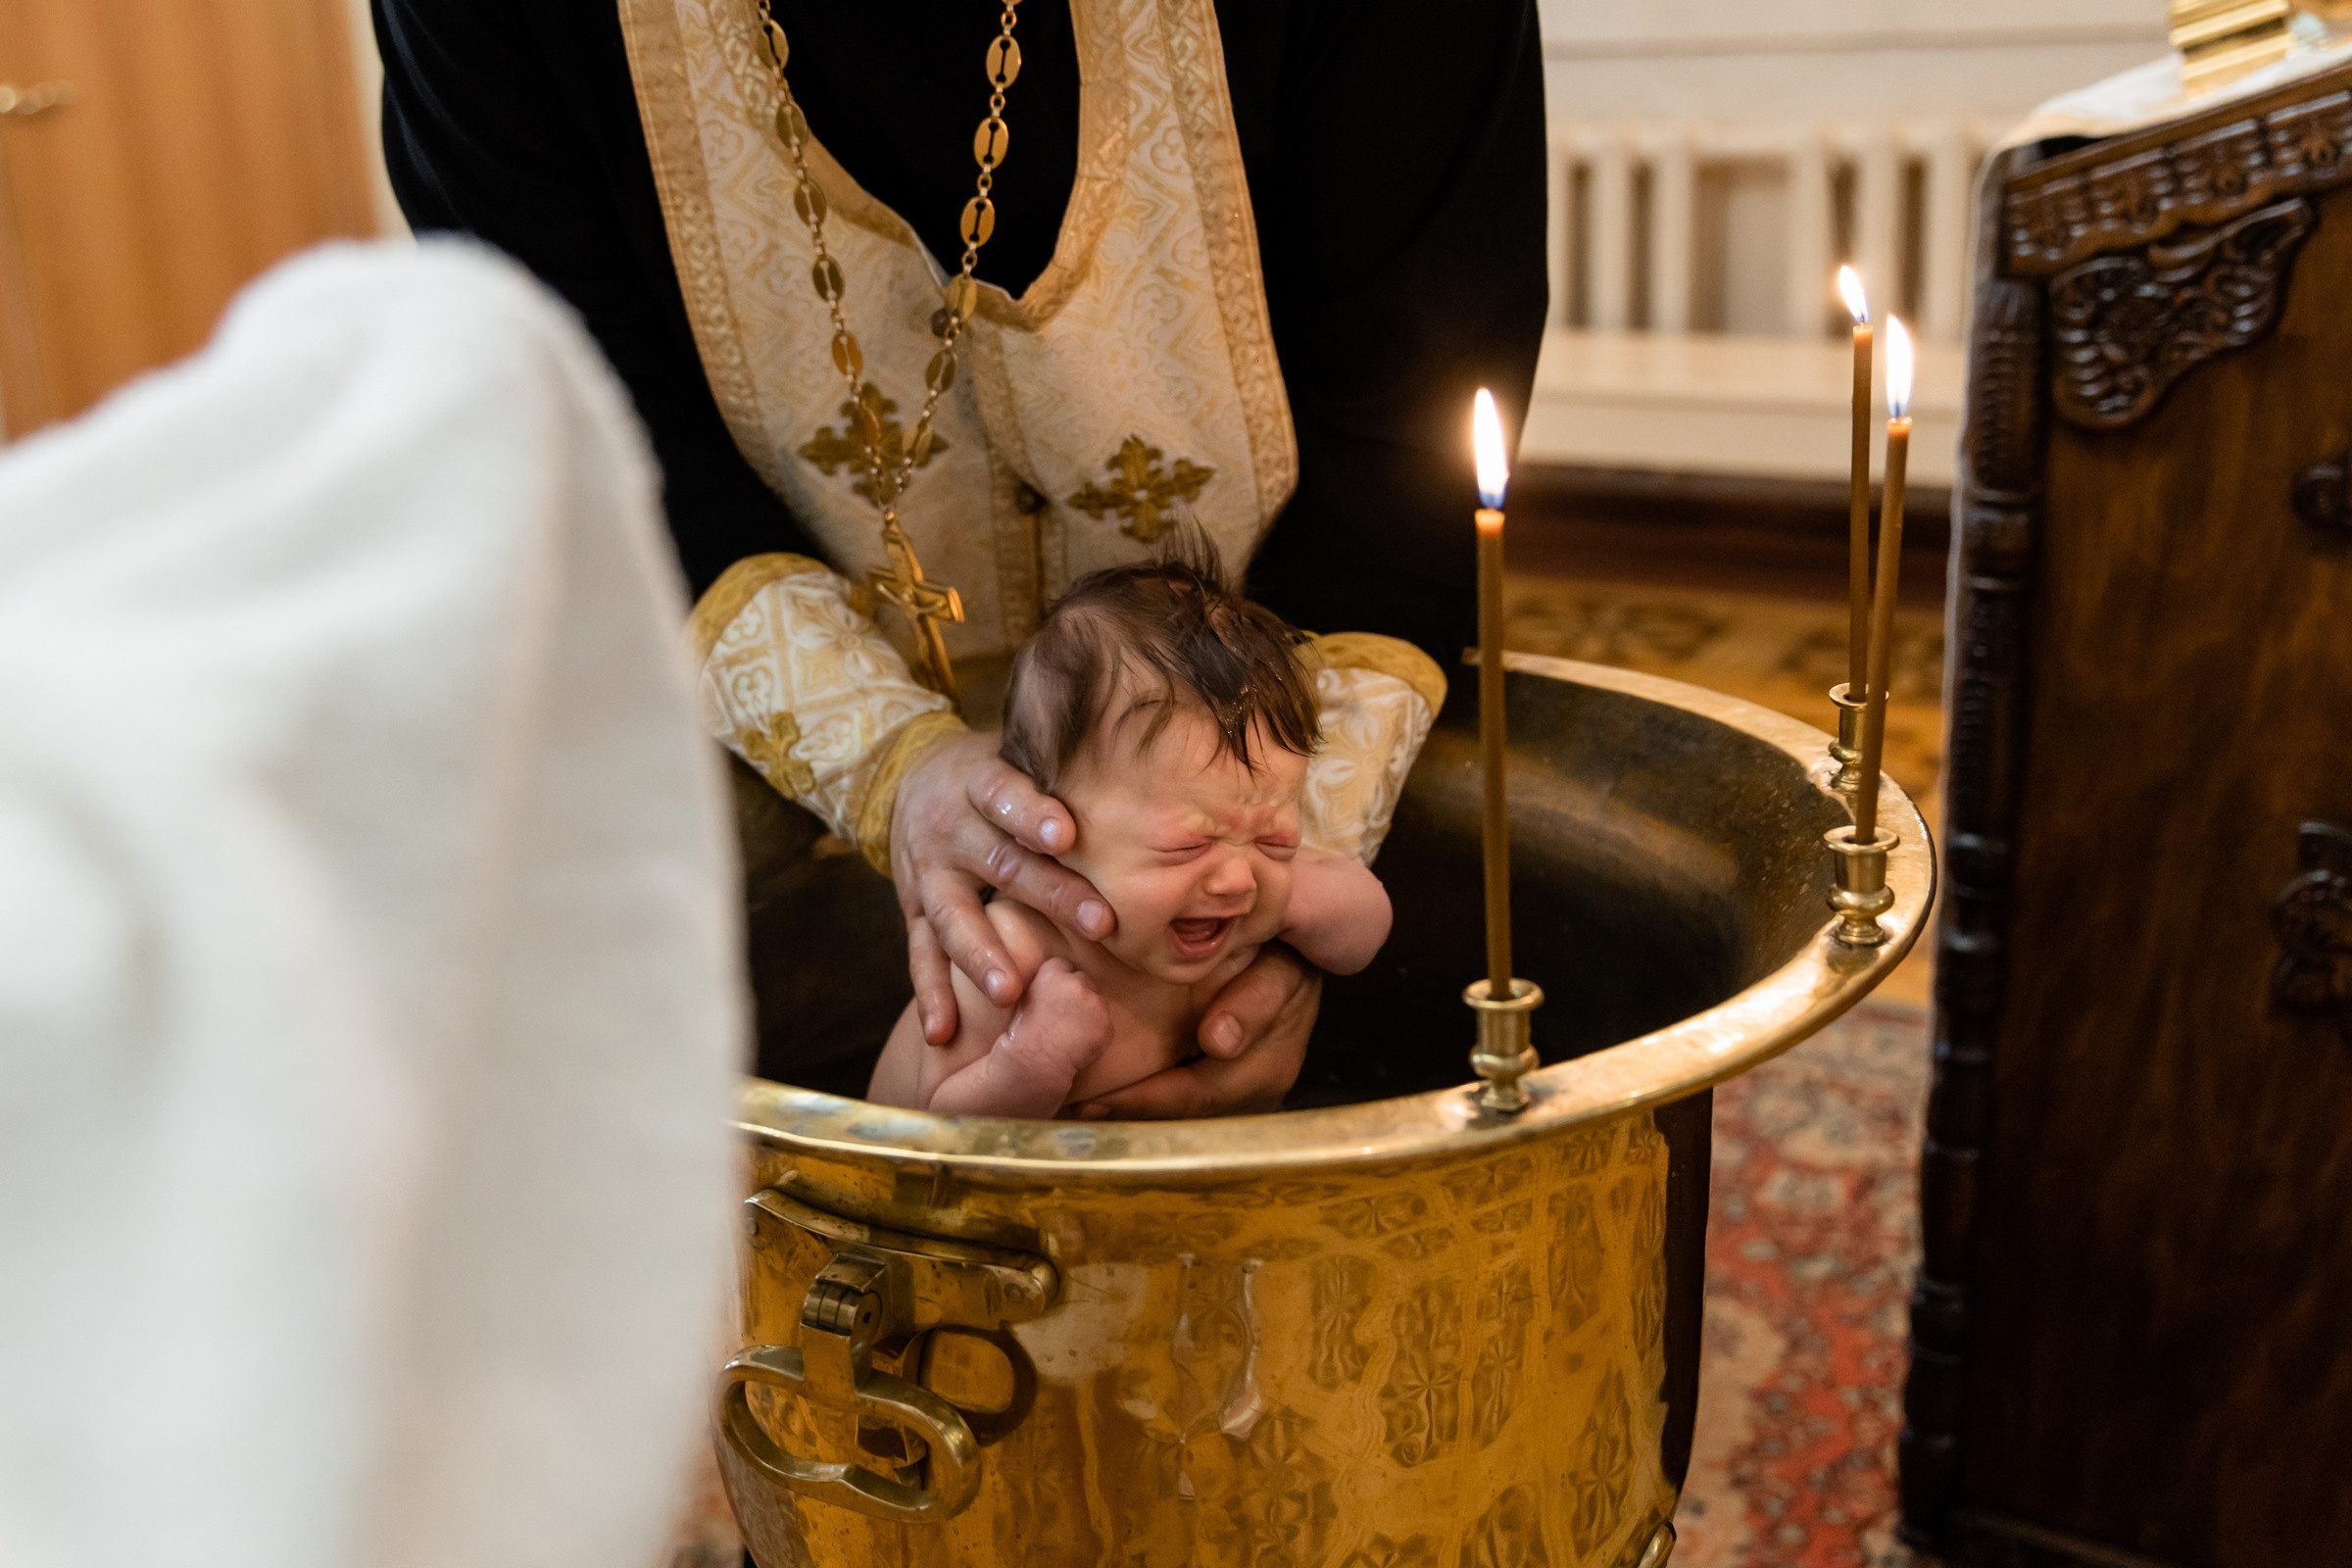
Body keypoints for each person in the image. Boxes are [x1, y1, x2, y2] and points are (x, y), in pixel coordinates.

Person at [374, 0, 1545, 1113]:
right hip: (748, 783)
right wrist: (888, 766)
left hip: (1294, 639)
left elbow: (1411, 424)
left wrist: (1285, 868)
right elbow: (587, 430)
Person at [867, 534, 1392, 1117]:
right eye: (1186, 845)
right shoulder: (1013, 958)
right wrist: (1030, 1062)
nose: (1239, 879)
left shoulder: (1252, 898)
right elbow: (932, 1129)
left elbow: (1364, 937)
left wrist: (1315, 900)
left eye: (1274, 837)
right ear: (1048, 832)